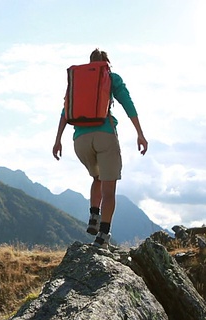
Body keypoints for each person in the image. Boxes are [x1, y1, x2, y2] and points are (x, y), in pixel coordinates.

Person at [52, 48, 148, 249]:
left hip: (80, 140)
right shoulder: (111, 78)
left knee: (96, 178)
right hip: (105, 136)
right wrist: (140, 133)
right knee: (109, 190)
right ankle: (103, 236)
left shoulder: (78, 83)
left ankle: (94, 215)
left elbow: (64, 111)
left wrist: (58, 139)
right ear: (106, 64)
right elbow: (127, 103)